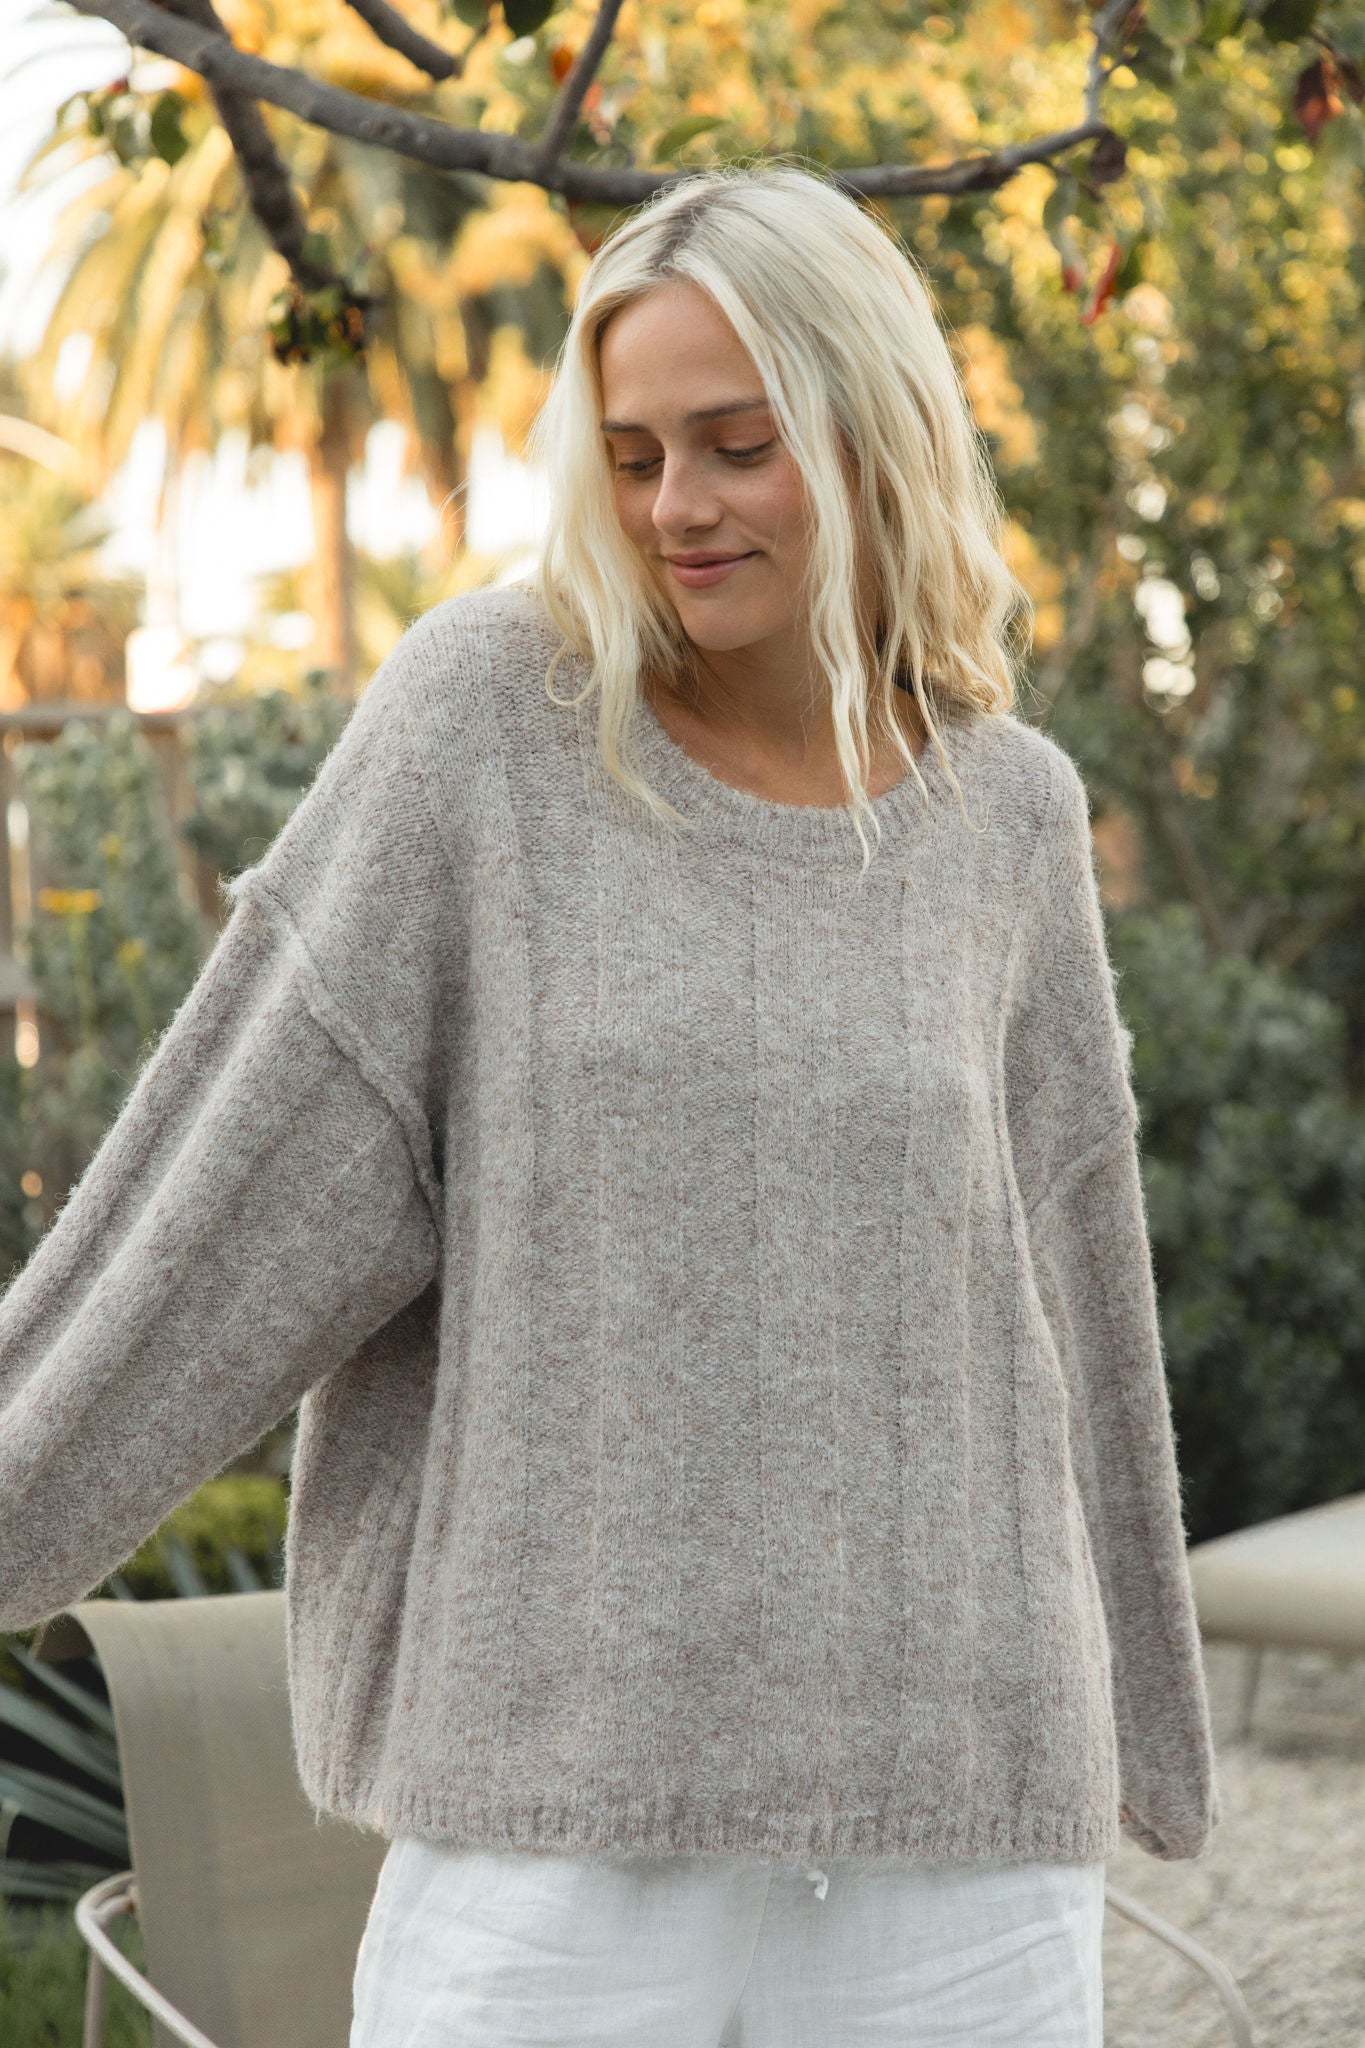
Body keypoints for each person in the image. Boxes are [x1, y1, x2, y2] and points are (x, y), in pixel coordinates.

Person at [0, 162, 1220, 2046]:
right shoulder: (489, 724)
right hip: (553, 1846)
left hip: (962, 1852)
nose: (676, 509)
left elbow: (1075, 1283)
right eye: (636, 455)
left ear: (876, 434)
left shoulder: (1008, 815)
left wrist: (1144, 1718)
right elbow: (223, 1200)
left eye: (739, 445)